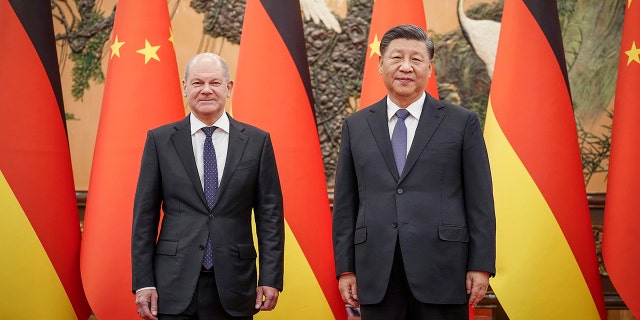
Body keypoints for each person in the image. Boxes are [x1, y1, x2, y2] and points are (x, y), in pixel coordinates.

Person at [332, 24, 496, 320]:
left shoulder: (461, 123)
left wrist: (480, 265)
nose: (406, 67)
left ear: (429, 69)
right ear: (381, 65)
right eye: (396, 58)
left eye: (416, 59)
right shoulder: (356, 127)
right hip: (377, 271)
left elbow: (480, 200)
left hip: (444, 270)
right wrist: (346, 269)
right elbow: (346, 204)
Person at [131, 52, 284, 320]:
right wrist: (144, 282)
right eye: (197, 83)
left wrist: (270, 277)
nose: (206, 90)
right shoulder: (160, 140)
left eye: (214, 83)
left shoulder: (258, 142)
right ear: (185, 87)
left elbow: (269, 216)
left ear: (228, 87)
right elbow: (144, 216)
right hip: (173, 283)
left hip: (235, 284)